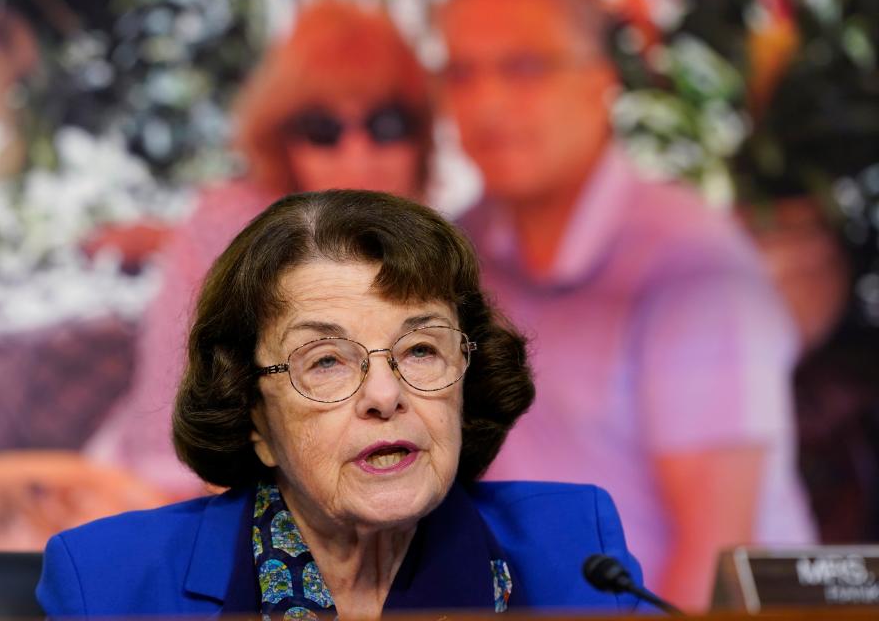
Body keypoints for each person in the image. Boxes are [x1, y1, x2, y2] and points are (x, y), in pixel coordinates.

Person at [37, 190, 646, 617]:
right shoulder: (109, 583)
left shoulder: (574, 546)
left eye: (421, 350)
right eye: (326, 361)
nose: (386, 395)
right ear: (255, 419)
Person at [438, 0, 815, 609]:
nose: (488, 102)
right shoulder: (463, 249)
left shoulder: (690, 265)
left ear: (601, 80)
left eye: (525, 67)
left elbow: (715, 562)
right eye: (461, 73)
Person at [85, 0, 433, 496]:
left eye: (386, 125)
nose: (358, 153)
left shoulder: (436, 243)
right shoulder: (230, 231)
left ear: (421, 136)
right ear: (282, 137)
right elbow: (172, 423)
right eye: (323, 130)